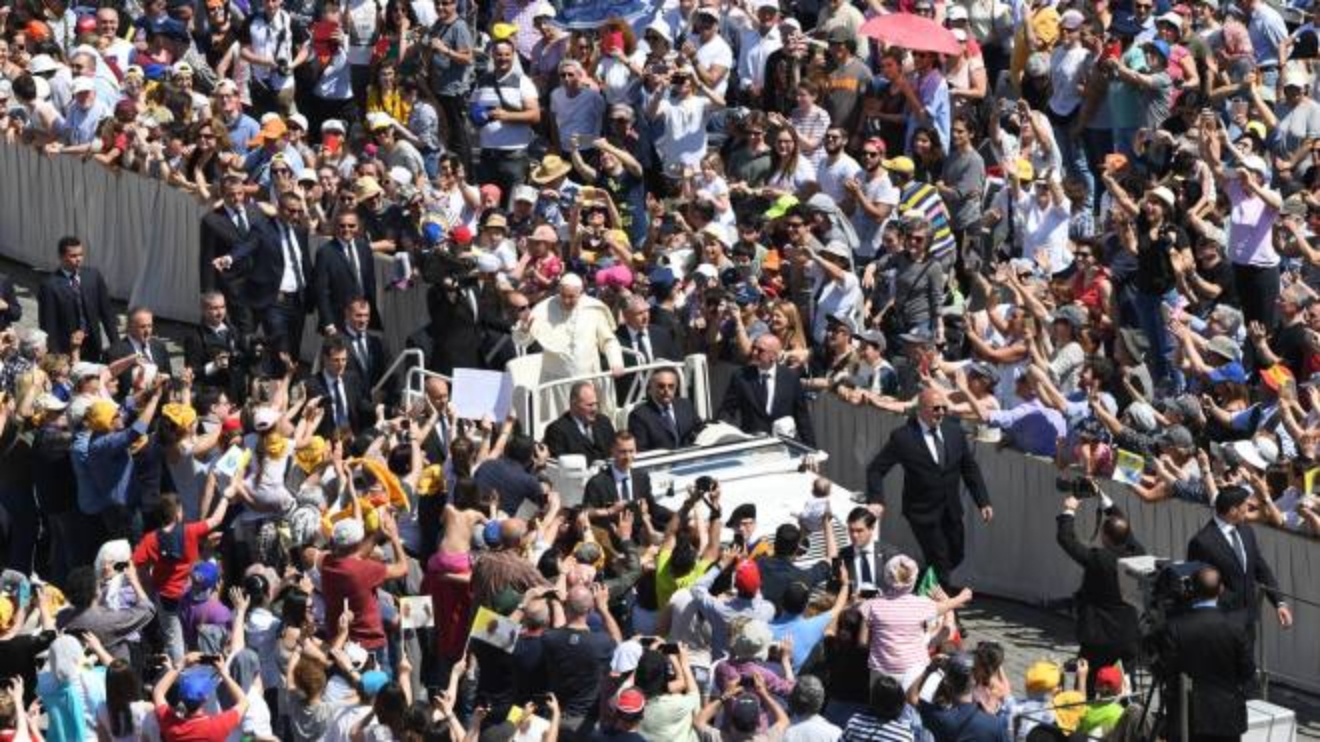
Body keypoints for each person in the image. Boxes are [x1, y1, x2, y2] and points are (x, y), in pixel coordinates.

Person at [864, 388, 992, 592]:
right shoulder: (903, 437)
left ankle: (916, 584)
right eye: (935, 408)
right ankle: (942, 605)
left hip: (951, 509)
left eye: (943, 408)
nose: (941, 412)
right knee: (940, 560)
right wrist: (876, 500)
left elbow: (969, 467)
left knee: (956, 555)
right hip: (922, 512)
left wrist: (983, 501)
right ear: (921, 410)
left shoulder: (954, 432)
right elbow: (876, 469)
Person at [1154, 566, 1254, 742]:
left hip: (1188, 718)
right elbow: (1247, 671)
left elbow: (1165, 670)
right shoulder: (1236, 628)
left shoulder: (1175, 628)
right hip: (1226, 717)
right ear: (1221, 589)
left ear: (1192, 589)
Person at [1056, 493, 1146, 679]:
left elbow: (1067, 539)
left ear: (1105, 536)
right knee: (1126, 682)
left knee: (1089, 682)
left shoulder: (1099, 559)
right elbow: (1124, 527)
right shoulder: (1138, 553)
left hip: (1097, 635)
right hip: (1127, 633)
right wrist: (1101, 496)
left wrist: (1069, 509)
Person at [1186, 486, 1291, 639]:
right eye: (1245, 504)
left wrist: (1279, 603)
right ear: (1233, 510)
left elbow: (1261, 569)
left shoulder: (1246, 531)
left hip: (1247, 621)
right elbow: (1200, 586)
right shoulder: (1202, 542)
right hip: (1220, 623)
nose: (1249, 508)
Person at [719, 333, 817, 446]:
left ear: (774, 356)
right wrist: (719, 434)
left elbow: (802, 417)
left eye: (760, 350)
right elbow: (727, 410)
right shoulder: (741, 376)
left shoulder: (790, 378)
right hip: (752, 444)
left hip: (782, 445)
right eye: (753, 348)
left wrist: (811, 449)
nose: (754, 353)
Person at [37, 236, 119, 360]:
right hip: (67, 349)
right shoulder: (50, 286)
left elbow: (106, 313)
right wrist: (55, 355)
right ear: (61, 257)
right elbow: (48, 325)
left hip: (93, 344)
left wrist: (116, 344)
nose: (78, 259)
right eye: (73, 256)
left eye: (81, 255)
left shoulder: (93, 276)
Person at [153, 651, 250, 741]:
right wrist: (224, 673)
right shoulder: (216, 726)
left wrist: (182, 663)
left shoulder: (171, 725)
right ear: (205, 698)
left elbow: (158, 692)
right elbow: (244, 702)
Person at [627, 367, 701, 452]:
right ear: (650, 388)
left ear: (676, 388)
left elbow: (699, 428)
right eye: (661, 386)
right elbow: (641, 450)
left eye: (671, 386)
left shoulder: (685, 405)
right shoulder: (638, 416)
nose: (666, 390)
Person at [543, 380, 617, 461]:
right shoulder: (557, 431)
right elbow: (560, 464)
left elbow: (615, 451)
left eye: (596, 404)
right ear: (574, 405)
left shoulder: (604, 422)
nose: (594, 409)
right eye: (589, 405)